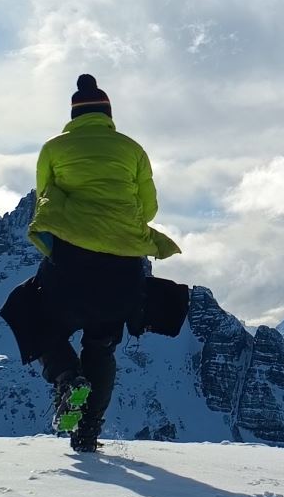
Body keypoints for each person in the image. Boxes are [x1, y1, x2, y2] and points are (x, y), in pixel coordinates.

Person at [27, 74, 181, 453]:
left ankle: (66, 377)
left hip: (71, 263)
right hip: (124, 269)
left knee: (31, 311)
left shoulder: (53, 148)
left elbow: (44, 196)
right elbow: (148, 209)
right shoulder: (133, 150)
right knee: (101, 345)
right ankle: (88, 431)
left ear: (74, 115)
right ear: (108, 114)